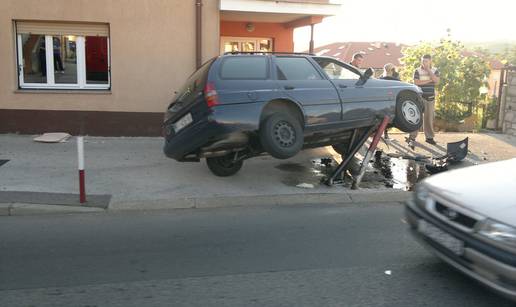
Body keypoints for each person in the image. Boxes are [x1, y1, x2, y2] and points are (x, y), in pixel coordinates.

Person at [407, 54, 440, 149]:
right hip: (419, 97)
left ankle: (429, 137)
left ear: (430, 61)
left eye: (426, 61)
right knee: (416, 118)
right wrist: (430, 81)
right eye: (423, 61)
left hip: (430, 97)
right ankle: (412, 137)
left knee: (429, 118)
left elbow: (437, 81)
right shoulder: (417, 70)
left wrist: (429, 71)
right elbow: (416, 82)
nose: (424, 63)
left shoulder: (435, 70)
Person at [380, 63, 400, 142]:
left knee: (387, 117)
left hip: (387, 99)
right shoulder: (394, 76)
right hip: (389, 99)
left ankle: (385, 134)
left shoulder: (382, 77)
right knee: (387, 117)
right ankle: (385, 134)